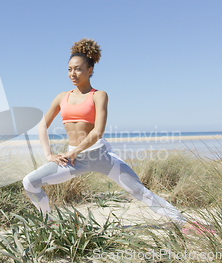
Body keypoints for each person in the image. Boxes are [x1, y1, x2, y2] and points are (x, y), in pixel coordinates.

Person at [22, 38, 203, 232]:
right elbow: (42, 126)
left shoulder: (99, 95)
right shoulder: (61, 97)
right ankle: (50, 224)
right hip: (72, 159)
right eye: (69, 69)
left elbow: (98, 131)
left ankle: (186, 223)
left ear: (90, 69)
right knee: (30, 182)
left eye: (78, 69)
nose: (72, 74)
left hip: (100, 155)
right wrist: (49, 155)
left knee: (139, 191)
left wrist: (75, 152)